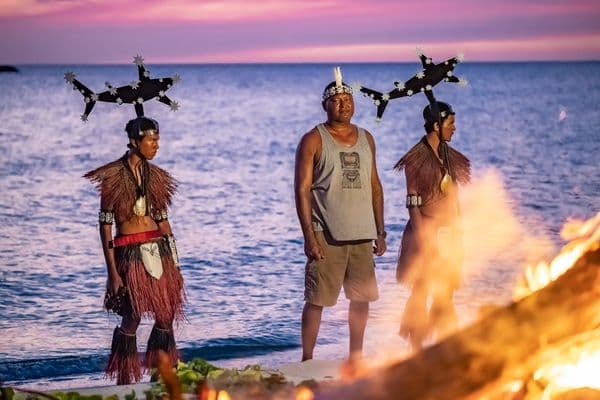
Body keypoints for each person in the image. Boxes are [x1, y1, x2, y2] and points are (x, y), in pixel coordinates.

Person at [294, 69, 387, 361]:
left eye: (348, 100)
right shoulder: (313, 139)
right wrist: (309, 237)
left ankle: (355, 356)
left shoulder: (366, 138)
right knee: (317, 299)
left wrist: (381, 231)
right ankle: (307, 359)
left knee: (361, 299)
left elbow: (375, 186)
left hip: (362, 234)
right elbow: (302, 190)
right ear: (325, 105)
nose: (343, 105)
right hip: (326, 234)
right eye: (336, 101)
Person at [84, 116, 185, 384]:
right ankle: (125, 376)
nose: (156, 145)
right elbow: (105, 226)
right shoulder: (113, 177)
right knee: (133, 316)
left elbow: (163, 220)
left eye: (157, 140)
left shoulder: (157, 177)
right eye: (151, 140)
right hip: (129, 252)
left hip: (158, 249)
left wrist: (175, 262)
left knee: (166, 313)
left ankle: (160, 372)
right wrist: (113, 273)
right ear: (134, 141)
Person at [395, 101, 470, 350]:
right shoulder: (417, 158)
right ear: (436, 125)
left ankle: (446, 343)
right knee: (423, 288)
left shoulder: (450, 157)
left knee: (445, 290)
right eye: (451, 124)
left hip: (448, 233)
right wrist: (425, 238)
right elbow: (412, 201)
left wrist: (457, 232)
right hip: (423, 231)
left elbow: (453, 197)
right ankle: (416, 347)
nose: (454, 128)